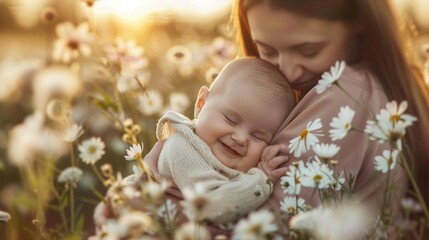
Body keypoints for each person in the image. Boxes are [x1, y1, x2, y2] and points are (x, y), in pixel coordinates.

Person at [95, 0, 429, 236]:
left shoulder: (347, 95)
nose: (287, 69)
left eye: (309, 50)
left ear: (360, 22)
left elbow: (260, 230)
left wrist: (130, 214)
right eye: (267, 50)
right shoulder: (362, 87)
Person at [155, 57, 295, 224]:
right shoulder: (180, 147)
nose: (241, 138)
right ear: (201, 104)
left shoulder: (243, 166)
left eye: (258, 136)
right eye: (231, 119)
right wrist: (262, 179)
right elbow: (211, 208)